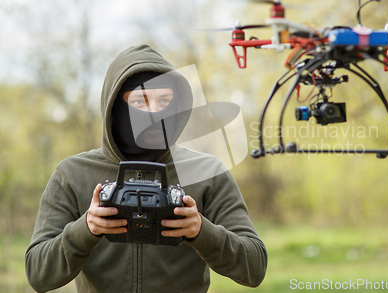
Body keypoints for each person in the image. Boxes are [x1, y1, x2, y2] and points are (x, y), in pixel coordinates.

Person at [25, 44, 268, 293]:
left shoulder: (207, 171)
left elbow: (254, 268)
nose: (154, 113)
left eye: (165, 100)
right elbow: (38, 275)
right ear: (114, 105)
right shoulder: (73, 174)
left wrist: (200, 231)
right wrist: (86, 228)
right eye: (140, 101)